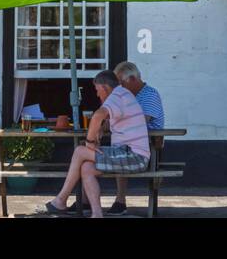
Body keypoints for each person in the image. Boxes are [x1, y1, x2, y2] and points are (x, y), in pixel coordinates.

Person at [43, 69, 150, 218]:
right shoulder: (122, 95)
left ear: (105, 88)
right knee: (87, 167)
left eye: (98, 90)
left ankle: (61, 199)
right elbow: (110, 119)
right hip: (126, 153)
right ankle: (97, 213)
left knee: (80, 151)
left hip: (134, 156)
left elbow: (97, 115)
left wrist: (90, 141)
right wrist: (100, 128)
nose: (97, 94)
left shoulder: (116, 96)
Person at [107, 61, 164, 215]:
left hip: (148, 147)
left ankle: (120, 200)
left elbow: (139, 121)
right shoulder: (126, 95)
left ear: (132, 79)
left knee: (116, 147)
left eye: (121, 83)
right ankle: (88, 201)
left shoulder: (149, 94)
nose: (119, 87)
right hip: (129, 142)